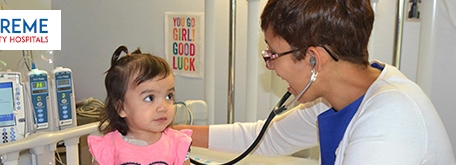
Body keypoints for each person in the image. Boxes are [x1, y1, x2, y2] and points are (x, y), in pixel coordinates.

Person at [174, 0, 456, 164]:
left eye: (273, 53)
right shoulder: (334, 98)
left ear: (313, 59)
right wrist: (169, 132)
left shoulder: (392, 123)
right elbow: (264, 138)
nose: (270, 64)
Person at [88, 46, 192, 165]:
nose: (163, 107)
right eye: (150, 98)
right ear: (121, 107)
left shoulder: (177, 144)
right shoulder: (108, 148)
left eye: (169, 96)